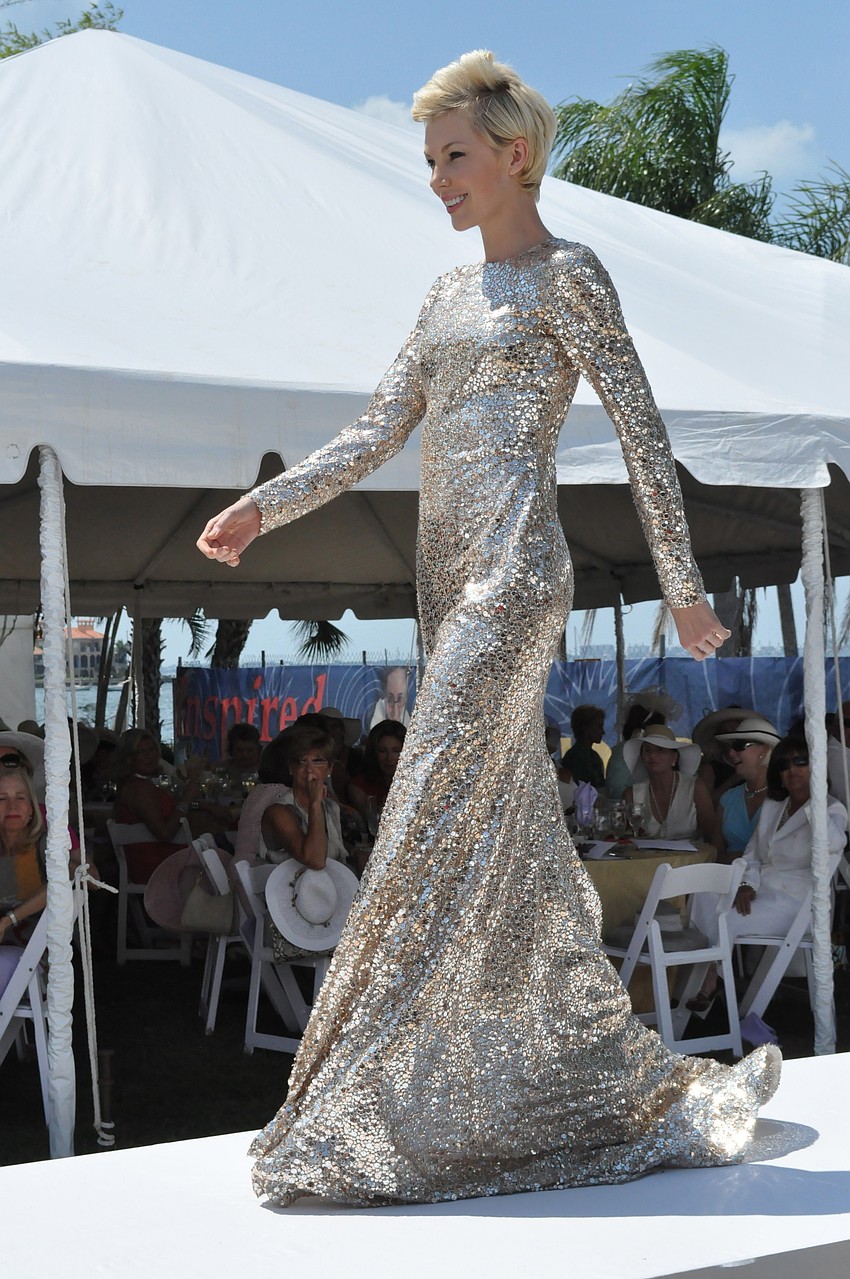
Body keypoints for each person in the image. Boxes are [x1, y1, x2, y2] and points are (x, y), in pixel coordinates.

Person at [197, 50, 778, 1208]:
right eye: (427, 161)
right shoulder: (443, 298)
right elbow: (374, 433)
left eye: (452, 156)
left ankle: (355, 1098)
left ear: (514, 155)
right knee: (498, 848)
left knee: (414, 817)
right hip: (445, 580)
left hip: (515, 579)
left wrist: (682, 581)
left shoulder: (572, 277)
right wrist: (266, 504)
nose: (436, 180)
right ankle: (522, 1084)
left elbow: (641, 431)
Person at [234, 724, 348, 961]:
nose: (309, 772)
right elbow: (315, 860)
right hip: (289, 917)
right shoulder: (279, 811)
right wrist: (315, 804)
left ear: (329, 769)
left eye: (317, 762)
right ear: (290, 768)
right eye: (300, 762)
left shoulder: (332, 809)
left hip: (330, 910)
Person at [622, 726, 715, 842]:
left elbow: (713, 833)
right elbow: (627, 838)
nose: (652, 755)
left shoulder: (695, 787)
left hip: (691, 858)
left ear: (674, 757)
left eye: (660, 749)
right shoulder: (631, 794)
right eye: (647, 750)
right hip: (647, 858)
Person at [712, 715, 781, 861]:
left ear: (764, 750)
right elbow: (715, 853)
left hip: (773, 880)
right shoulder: (727, 798)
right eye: (731, 747)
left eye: (739, 746)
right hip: (729, 879)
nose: (731, 753)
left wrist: (740, 859)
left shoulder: (784, 797)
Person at [560, 705, 606, 789]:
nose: (603, 732)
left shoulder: (594, 756)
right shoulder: (574, 758)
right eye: (599, 726)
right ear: (586, 728)